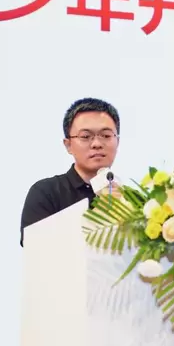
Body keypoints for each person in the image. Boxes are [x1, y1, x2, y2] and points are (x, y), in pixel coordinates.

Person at [19, 98, 121, 246]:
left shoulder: (132, 198)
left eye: (106, 136)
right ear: (68, 145)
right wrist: (100, 214)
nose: (97, 144)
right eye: (85, 137)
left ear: (117, 141)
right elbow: (35, 247)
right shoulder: (46, 192)